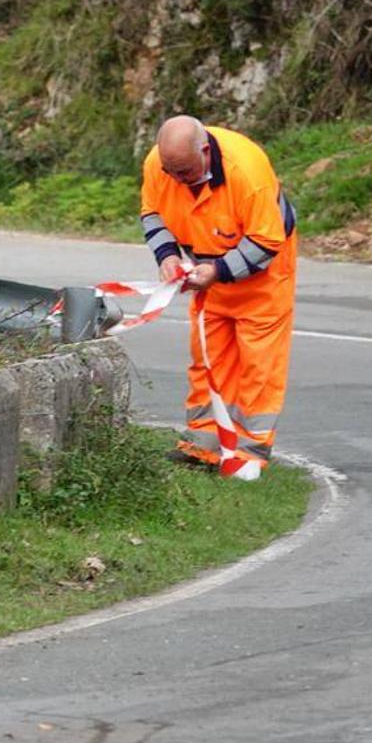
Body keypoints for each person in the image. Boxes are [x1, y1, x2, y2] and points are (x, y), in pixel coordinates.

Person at [139, 115, 297, 480]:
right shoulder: (159, 165)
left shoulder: (248, 172)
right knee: (207, 360)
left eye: (185, 172)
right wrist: (168, 258)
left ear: (206, 152)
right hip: (207, 273)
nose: (178, 180)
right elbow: (153, 214)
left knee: (258, 366)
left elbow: (266, 241)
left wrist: (216, 271)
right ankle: (203, 446)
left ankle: (249, 453)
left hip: (262, 277)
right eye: (171, 172)